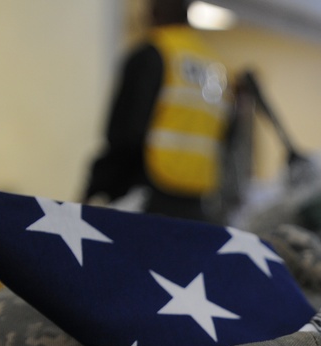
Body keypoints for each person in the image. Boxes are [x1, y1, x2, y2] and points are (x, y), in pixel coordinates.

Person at [83, 0, 230, 222]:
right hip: (197, 201)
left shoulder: (153, 53)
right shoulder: (214, 65)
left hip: (147, 193)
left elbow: (125, 132)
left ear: (153, 11)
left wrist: (98, 185)